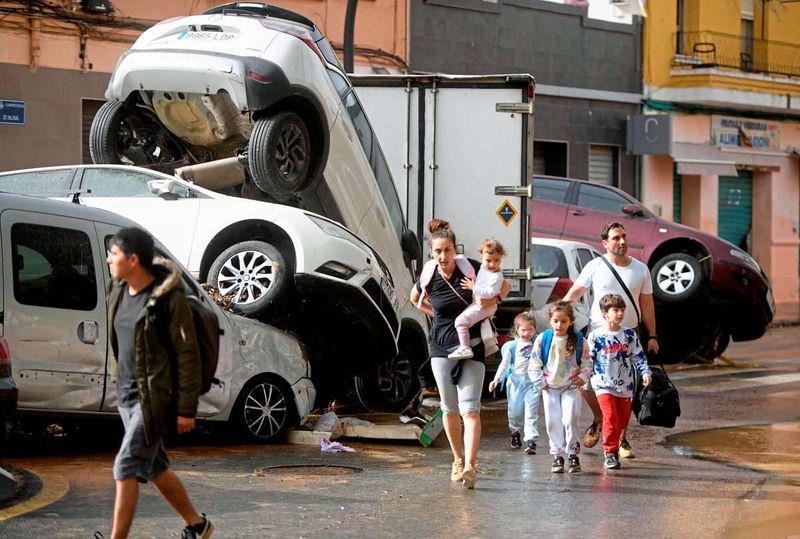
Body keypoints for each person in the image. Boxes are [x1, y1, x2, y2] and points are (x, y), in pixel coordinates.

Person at [105, 227, 214, 539]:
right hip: (126, 396)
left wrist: (185, 408)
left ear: (134, 259)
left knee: (124, 465)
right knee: (155, 467)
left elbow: (187, 354)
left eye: (114, 254)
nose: (109, 259)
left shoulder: (169, 300)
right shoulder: (119, 290)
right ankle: (198, 525)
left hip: (154, 401)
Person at [410, 220, 511, 489]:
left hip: (473, 345)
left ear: (455, 250)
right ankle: (457, 460)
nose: (443, 257)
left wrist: (492, 302)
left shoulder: (471, 269)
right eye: (438, 251)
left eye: (448, 251)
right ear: (432, 253)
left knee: (471, 409)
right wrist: (437, 316)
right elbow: (413, 298)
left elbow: (505, 286)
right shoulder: (429, 274)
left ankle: (470, 466)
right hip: (441, 348)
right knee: (449, 407)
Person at [562, 221, 659, 459]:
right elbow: (575, 294)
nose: (622, 242)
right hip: (598, 334)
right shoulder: (595, 266)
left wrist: (653, 335)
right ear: (605, 243)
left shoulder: (641, 269)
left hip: (629, 336)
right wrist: (560, 318)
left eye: (624, 237)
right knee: (585, 383)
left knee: (626, 388)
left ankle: (621, 439)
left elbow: (647, 304)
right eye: (616, 238)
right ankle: (600, 417)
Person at [587, 294, 652, 470]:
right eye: (615, 310)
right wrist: (581, 377)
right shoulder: (596, 336)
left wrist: (645, 372)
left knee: (621, 421)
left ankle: (614, 445)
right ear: (604, 313)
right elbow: (588, 360)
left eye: (622, 310)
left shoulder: (629, 335)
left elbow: (638, 356)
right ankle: (610, 453)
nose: (620, 313)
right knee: (610, 416)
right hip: (603, 384)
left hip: (625, 385)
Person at [528, 302, 591, 474]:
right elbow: (534, 363)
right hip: (550, 387)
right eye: (556, 321)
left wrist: (582, 377)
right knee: (552, 421)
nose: (559, 325)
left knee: (571, 418)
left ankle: (572, 453)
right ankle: (557, 455)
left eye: (563, 321)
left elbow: (586, 361)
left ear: (570, 321)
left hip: (571, 386)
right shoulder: (543, 339)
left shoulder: (579, 340)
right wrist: (540, 382)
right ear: (550, 321)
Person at [488, 311, 540, 455]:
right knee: (515, 411)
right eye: (523, 329)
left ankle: (531, 440)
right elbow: (504, 365)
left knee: (531, 411)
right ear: (516, 329)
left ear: (535, 329)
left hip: (533, 382)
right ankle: (515, 432)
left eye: (530, 329)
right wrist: (496, 379)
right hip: (516, 381)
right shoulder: (511, 346)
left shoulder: (538, 343)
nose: (527, 333)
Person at [448, 239, 506, 360]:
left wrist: (473, 287)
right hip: (480, 304)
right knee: (465, 319)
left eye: (497, 260)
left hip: (486, 306)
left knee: (460, 321)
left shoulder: (497, 276)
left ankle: (465, 347)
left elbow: (490, 293)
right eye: (488, 260)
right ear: (481, 256)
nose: (492, 264)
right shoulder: (482, 268)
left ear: (501, 257)